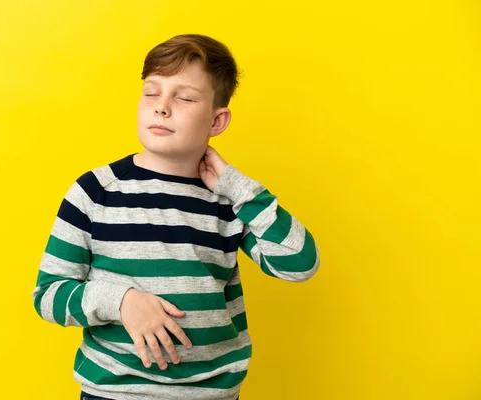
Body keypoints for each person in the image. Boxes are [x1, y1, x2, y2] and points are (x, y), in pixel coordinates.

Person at [32, 33, 320, 400]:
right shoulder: (95, 191)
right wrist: (121, 301)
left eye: (183, 97)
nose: (162, 107)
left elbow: (299, 263)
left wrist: (239, 188)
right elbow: (48, 295)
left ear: (217, 121)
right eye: (152, 93)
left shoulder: (229, 201)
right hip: (115, 394)